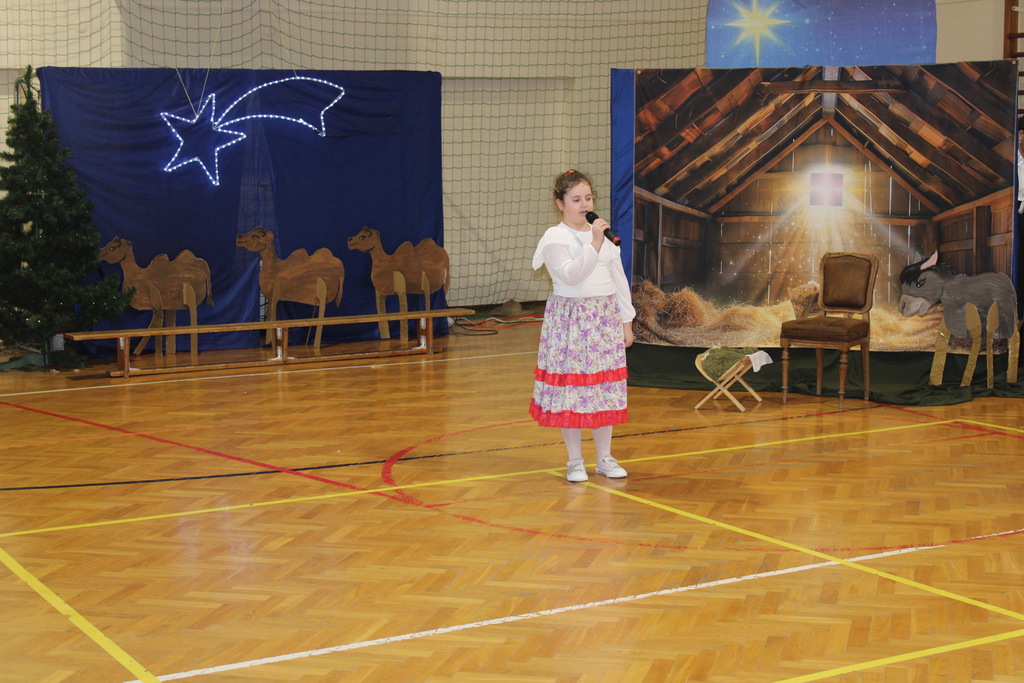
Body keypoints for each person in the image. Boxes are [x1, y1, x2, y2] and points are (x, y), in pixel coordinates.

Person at [529, 170, 635, 482]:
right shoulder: (555, 238)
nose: (584, 204)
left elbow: (618, 280)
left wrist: (626, 321)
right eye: (576, 199)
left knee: (603, 390)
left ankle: (604, 458)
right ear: (560, 204)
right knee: (572, 391)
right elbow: (572, 275)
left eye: (588, 198)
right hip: (570, 321)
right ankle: (575, 461)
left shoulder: (603, 237)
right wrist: (595, 243)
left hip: (603, 319)